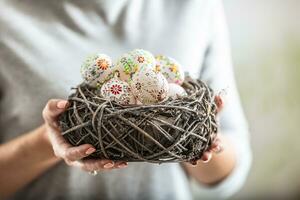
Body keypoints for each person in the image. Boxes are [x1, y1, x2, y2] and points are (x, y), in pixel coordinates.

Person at [0, 0, 252, 199]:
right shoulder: (7, 17)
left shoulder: (195, 6)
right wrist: (51, 140)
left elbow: (230, 173)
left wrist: (196, 134)